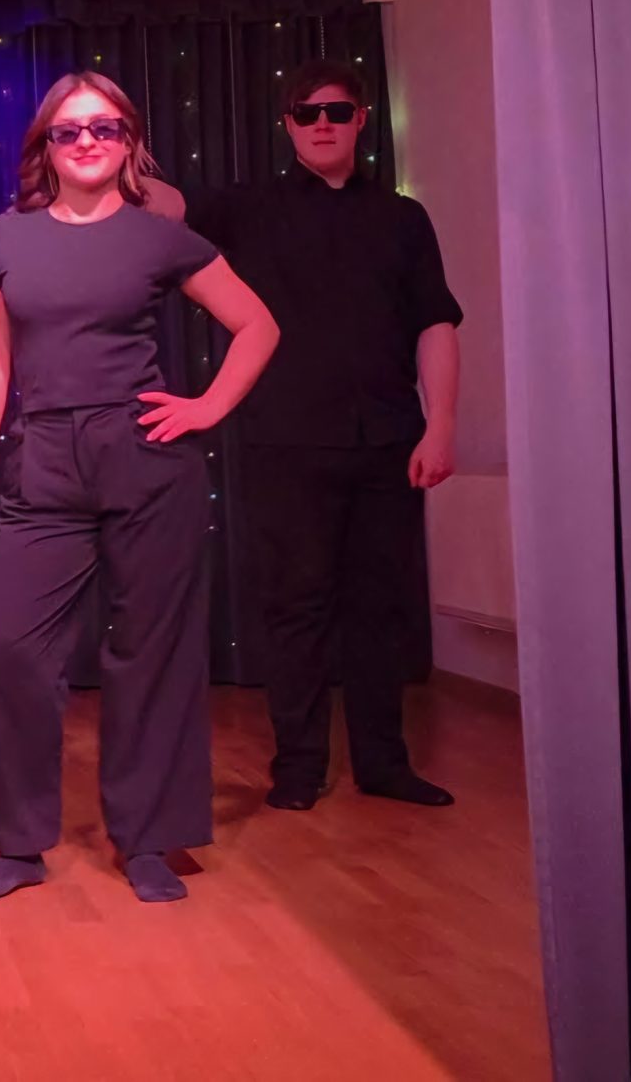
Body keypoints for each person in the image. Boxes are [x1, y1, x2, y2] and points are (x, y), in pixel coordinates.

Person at [0, 71, 278, 907]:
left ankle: (148, 839)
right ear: (46, 148)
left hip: (144, 457)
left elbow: (257, 325)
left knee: (152, 653)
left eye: (105, 127)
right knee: (7, 648)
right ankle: (20, 843)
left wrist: (207, 407)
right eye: (69, 131)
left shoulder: (159, 238)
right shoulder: (4, 239)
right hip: (41, 460)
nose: (88, 141)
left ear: (128, 140)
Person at [177, 60, 463, 810]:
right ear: (289, 125)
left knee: (380, 608)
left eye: (337, 111)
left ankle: (384, 765)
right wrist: (105, 144)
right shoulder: (248, 208)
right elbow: (167, 207)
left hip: (387, 440)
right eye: (307, 113)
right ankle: (299, 769)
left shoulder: (403, 218)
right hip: (286, 441)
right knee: (295, 607)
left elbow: (436, 322)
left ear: (362, 119)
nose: (323, 123)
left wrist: (441, 425)